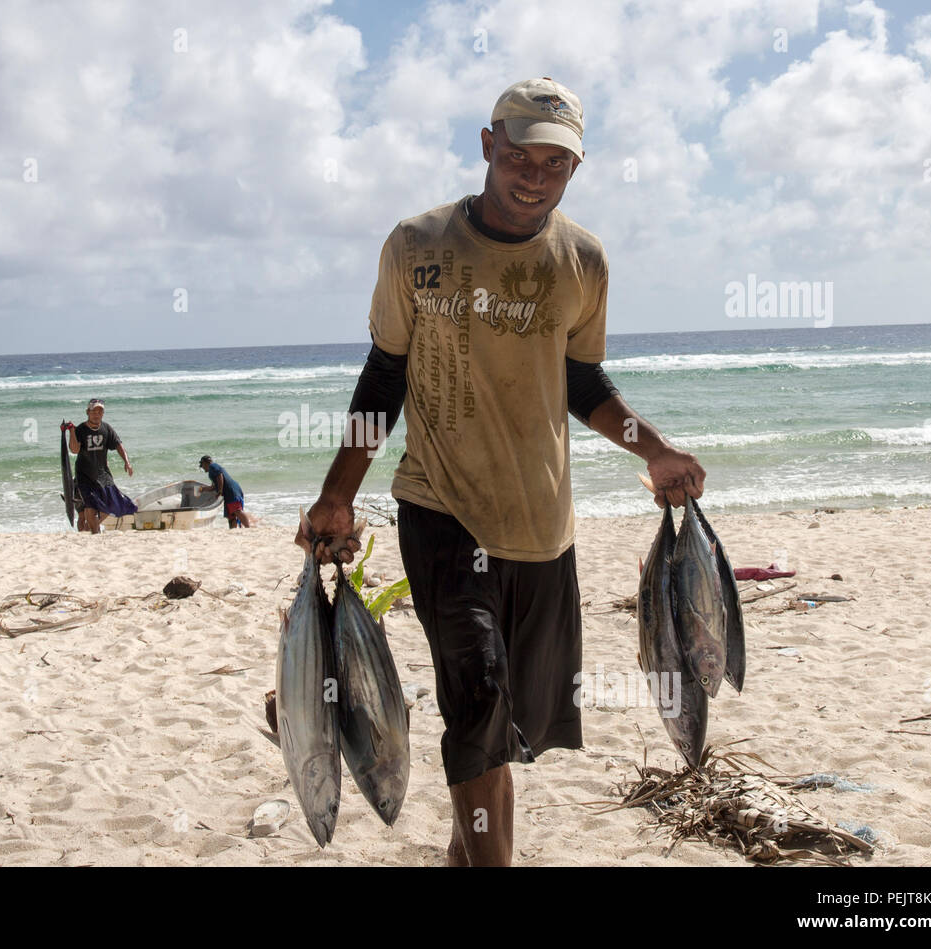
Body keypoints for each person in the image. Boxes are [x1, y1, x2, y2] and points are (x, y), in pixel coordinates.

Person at [297, 77, 707, 866]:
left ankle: (467, 854)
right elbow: (383, 376)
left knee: (508, 724)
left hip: (543, 526)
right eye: (519, 154)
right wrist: (336, 495)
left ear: (574, 171)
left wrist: (651, 446)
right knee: (477, 698)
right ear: (488, 145)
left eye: (555, 163)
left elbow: (581, 383)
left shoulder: (582, 260)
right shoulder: (417, 247)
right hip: (441, 509)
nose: (533, 174)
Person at [64, 399, 136, 533]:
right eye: (94, 411)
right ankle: (95, 533)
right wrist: (72, 432)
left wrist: (127, 462)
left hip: (103, 474)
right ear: (87, 412)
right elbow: (74, 450)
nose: (97, 414)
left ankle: (90, 527)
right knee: (90, 506)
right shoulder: (81, 429)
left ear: (103, 413)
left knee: (111, 503)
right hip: (84, 475)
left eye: (100, 411)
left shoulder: (106, 428)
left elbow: (118, 445)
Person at [199, 455, 251, 528]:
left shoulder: (213, 466)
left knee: (237, 511)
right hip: (230, 492)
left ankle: (248, 528)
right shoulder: (212, 470)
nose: (202, 467)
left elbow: (220, 476)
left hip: (231, 491)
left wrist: (220, 491)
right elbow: (213, 486)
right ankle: (233, 531)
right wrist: (204, 489)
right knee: (231, 515)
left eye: (202, 465)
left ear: (205, 463)